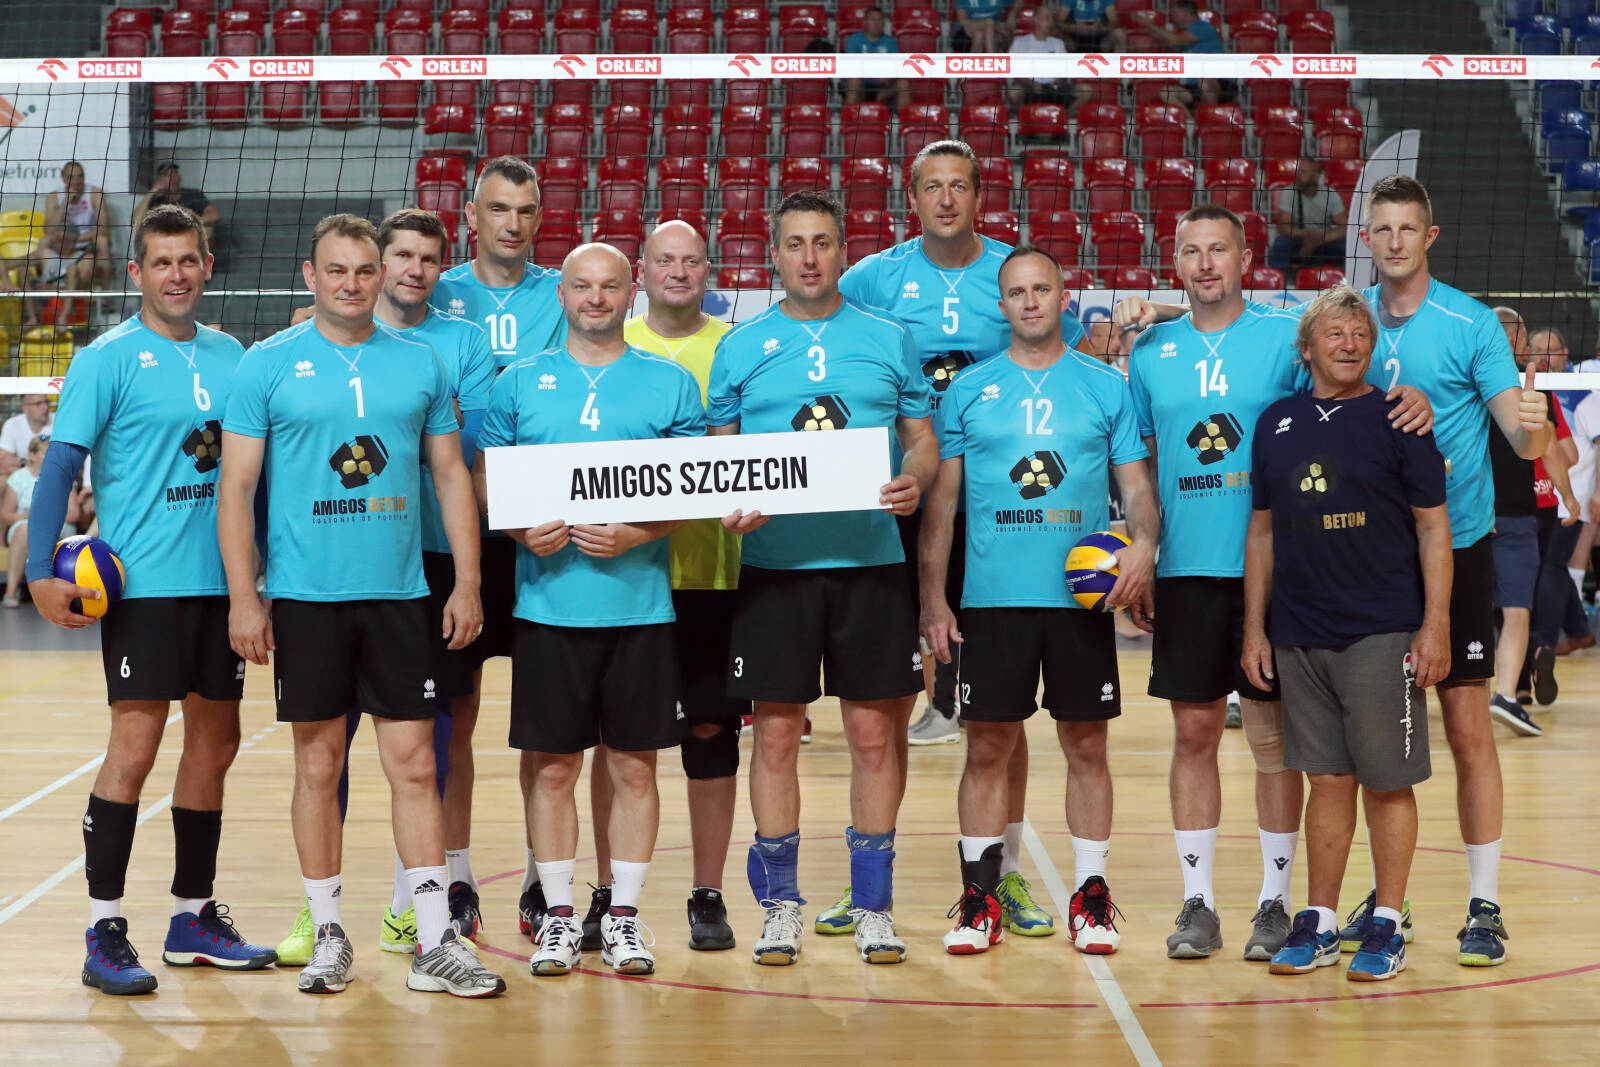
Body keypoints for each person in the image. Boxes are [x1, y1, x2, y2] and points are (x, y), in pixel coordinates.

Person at [1116, 203, 1434, 963]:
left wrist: (1414, 392)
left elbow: (1342, 365)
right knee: (1193, 734)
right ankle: (1197, 901)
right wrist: (1146, 546)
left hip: (1282, 577)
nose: (1205, 264)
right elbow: (1141, 467)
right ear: (1174, 261)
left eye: (1218, 249)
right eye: (1190, 251)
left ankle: (1277, 900)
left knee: (1276, 745)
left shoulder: (1283, 334)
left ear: (1245, 258)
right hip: (1189, 570)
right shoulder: (1149, 351)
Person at [218, 213, 504, 998]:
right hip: (306, 599)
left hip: (401, 596)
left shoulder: (420, 362)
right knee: (319, 764)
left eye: (364, 270)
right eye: (336, 270)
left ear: (381, 277)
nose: (351, 283)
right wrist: (245, 597)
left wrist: (468, 581)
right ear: (310, 276)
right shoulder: (268, 363)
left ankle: (435, 939)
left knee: (417, 764)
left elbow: (450, 474)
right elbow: (236, 488)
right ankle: (328, 933)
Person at [835, 139, 1096, 940]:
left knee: (999, 715)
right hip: (892, 499)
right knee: (880, 703)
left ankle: (1003, 874)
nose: (945, 199)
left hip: (991, 508)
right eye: (931, 186)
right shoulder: (872, 278)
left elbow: (1068, 362)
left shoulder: (1013, 273)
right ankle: (868, 877)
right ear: (909, 196)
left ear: (981, 194)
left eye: (959, 186)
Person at [22, 204, 273, 995]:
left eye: (189, 260)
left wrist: (262, 579)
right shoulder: (107, 358)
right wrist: (38, 568)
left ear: (207, 266)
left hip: (223, 586)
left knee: (216, 745)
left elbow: (255, 476)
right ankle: (103, 927)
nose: (177, 274)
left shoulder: (234, 356)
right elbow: (60, 467)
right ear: (136, 273)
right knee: (134, 748)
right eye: (161, 262)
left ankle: (192, 916)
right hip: (144, 588)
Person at [708, 190, 938, 967]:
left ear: (844, 251)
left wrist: (913, 478)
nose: (810, 257)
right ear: (774, 253)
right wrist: (731, 503)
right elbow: (720, 454)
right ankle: (781, 906)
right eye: (796, 243)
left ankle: (873, 907)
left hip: (870, 565)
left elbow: (922, 440)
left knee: (874, 735)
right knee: (775, 734)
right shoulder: (741, 345)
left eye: (824, 242)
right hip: (776, 570)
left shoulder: (888, 336)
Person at [1334, 174, 1553, 966]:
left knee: (1465, 727)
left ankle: (1484, 905)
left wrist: (1534, 429)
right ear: (1368, 238)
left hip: (1455, 547)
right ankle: (1388, 899)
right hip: (1367, 551)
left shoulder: (1469, 323)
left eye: (1407, 228)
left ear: (1430, 236)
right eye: (1382, 228)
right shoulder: (1346, 319)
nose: (1394, 241)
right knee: (1372, 740)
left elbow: (1520, 440)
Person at [473, 243, 706, 977]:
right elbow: (488, 477)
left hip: (640, 610)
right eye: (582, 286)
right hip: (549, 609)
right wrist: (519, 531)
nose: (596, 298)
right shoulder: (519, 381)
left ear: (631, 293)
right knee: (552, 771)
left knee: (634, 767)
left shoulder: (669, 383)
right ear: (563, 295)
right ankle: (559, 919)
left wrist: (636, 532)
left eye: (609, 286)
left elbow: (693, 487)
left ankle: (625, 919)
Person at [923, 246, 1157, 956]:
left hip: (1080, 601)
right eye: (1017, 292)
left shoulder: (1105, 385)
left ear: (1063, 297)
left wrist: (1145, 546)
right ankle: (979, 899)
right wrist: (934, 598)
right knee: (986, 746)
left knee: (1087, 745)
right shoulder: (969, 389)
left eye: (1042, 289)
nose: (1030, 302)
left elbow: (1137, 487)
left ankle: (1091, 898)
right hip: (992, 601)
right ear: (1002, 305)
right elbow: (942, 505)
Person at [1243, 286, 1451, 983]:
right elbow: (1261, 534)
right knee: (1326, 780)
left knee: (1387, 783)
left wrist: (1435, 625)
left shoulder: (1401, 419)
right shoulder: (1274, 422)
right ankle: (1321, 920)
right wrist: (1255, 629)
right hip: (1300, 630)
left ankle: (1387, 922)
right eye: (1334, 333)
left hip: (1382, 629)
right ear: (1307, 348)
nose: (1349, 343)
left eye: (1359, 333)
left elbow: (1433, 528)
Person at [578, 221, 745, 954]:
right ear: (640, 273)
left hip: (711, 573)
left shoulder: (735, 345)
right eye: (664, 260)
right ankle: (606, 893)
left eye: (692, 260)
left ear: (710, 271)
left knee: (710, 731)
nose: (678, 271)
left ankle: (707, 893)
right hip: (619, 576)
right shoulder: (609, 344)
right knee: (613, 741)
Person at [429, 155, 569, 941]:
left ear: (539, 218)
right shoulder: (434, 290)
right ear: (471, 215)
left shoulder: (564, 290)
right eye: (498, 208)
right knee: (456, 714)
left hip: (544, 534)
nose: (512, 223)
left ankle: (542, 880)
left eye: (525, 210)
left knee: (546, 719)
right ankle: (456, 878)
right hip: (457, 538)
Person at [1483, 312, 1548, 736]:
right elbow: (1550, 448)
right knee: (1515, 610)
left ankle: (1492, 696)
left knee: (1475, 609)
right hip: (1502, 516)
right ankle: (1505, 694)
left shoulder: (1465, 383)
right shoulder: (1530, 388)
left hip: (1474, 514)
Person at [3, 435, 80, 607]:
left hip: (60, 523)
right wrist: (28, 516)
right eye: (46, 453)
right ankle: (10, 591)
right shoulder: (18, 478)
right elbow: (6, 516)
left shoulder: (65, 475)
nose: (51, 457)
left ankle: (66, 595)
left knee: (65, 533)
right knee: (24, 529)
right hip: (25, 522)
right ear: (32, 455)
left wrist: (50, 513)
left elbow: (74, 514)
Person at [1133, 2, 1227, 109]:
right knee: (1166, 93)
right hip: (1193, 86)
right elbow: (1169, 45)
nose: (1172, 17)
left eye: (1174, 13)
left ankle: (1211, 116)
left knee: (1204, 83)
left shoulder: (1202, 27)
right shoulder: (1187, 34)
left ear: (1185, 14)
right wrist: (1150, 29)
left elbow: (1174, 40)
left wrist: (1151, 25)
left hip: (1216, 81)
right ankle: (1189, 119)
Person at [1269, 159, 1348, 277]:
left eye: (1304, 172)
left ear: (1316, 176)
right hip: (1298, 239)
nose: (1298, 175)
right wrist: (1309, 236)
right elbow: (1284, 228)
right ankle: (1279, 281)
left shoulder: (1330, 194)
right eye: (1299, 171)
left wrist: (1321, 239)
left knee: (1346, 246)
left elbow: (1346, 227)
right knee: (1280, 244)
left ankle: (1343, 280)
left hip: (1325, 239)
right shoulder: (1289, 192)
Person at [40, 160, 110, 288]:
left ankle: (106, 292)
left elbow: (103, 228)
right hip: (63, 241)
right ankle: (48, 281)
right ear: (63, 178)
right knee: (44, 241)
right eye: (71, 177)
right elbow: (48, 230)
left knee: (103, 241)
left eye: (80, 176)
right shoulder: (53, 197)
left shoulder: (95, 193)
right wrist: (65, 203)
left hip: (87, 239)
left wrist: (78, 238)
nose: (76, 181)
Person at [132, 162, 220, 250]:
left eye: (175, 173)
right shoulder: (156, 200)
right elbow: (136, 220)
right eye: (167, 175)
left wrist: (191, 222)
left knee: (208, 228)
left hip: (191, 237)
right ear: (159, 180)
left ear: (180, 177)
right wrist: (153, 191)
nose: (173, 177)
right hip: (166, 238)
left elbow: (214, 215)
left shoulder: (193, 194)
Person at [843, 7, 910, 110]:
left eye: (880, 20)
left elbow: (896, 67)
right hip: (861, 86)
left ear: (883, 23)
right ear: (865, 22)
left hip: (883, 88)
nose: (876, 24)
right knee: (854, 82)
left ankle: (902, 119)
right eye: (873, 20)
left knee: (903, 84)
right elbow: (851, 68)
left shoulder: (891, 41)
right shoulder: (854, 40)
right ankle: (849, 117)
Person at [1006, 12, 1072, 111]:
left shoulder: (1058, 43)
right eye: (1047, 18)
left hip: (1054, 88)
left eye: (1051, 18)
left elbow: (1066, 70)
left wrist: (1058, 81)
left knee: (1084, 90)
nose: (1051, 21)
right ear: (1036, 20)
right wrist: (1031, 83)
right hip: (1028, 87)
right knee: (1013, 92)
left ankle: (1064, 117)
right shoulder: (1019, 42)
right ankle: (1023, 118)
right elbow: (1012, 70)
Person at [0, 393, 55, 477]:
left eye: (46, 402)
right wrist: (27, 465)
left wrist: (21, 463)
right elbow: (3, 462)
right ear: (24, 408)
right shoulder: (12, 424)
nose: (45, 407)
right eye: (38, 403)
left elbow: (59, 462)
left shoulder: (58, 422)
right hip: (25, 475)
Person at [1058, 0, 1126, 51]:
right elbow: (1058, 23)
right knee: (1056, 34)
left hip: (1101, 40)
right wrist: (1074, 27)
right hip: (1074, 39)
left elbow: (1115, 23)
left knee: (1120, 34)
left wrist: (1101, 27)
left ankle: (1118, 65)